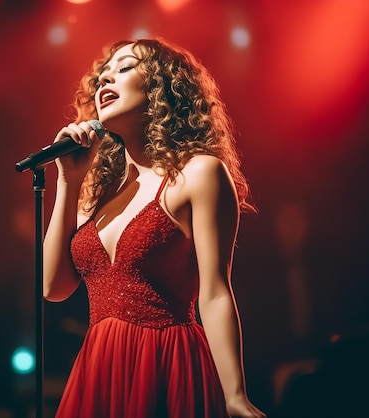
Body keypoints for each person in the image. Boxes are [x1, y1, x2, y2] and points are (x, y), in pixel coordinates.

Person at [43, 38, 266, 418]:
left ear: (162, 87)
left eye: (125, 68)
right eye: (102, 76)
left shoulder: (200, 173)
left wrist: (235, 396)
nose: (106, 80)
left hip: (167, 361)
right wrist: (69, 181)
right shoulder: (97, 189)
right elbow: (54, 288)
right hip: (99, 369)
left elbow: (215, 292)